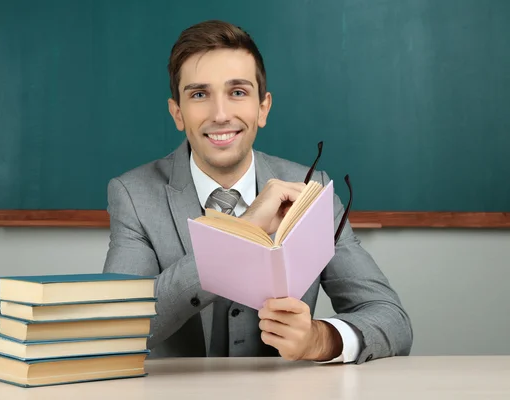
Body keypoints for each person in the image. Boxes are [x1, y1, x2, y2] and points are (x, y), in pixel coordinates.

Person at [103, 19, 412, 364]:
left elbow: (391, 319)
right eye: (199, 94)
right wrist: (241, 231)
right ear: (178, 113)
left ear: (262, 108)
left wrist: (320, 339)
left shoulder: (314, 190)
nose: (221, 115)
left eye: (237, 92)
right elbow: (118, 326)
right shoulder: (132, 195)